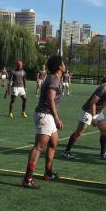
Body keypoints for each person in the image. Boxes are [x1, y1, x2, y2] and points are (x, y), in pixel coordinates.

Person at [22, 55, 65, 189]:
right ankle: (27, 179)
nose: (65, 65)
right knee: (39, 147)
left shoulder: (55, 78)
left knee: (54, 142)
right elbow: (50, 98)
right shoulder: (53, 79)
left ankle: (48, 173)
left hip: (48, 116)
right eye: (63, 63)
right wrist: (56, 118)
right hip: (45, 116)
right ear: (59, 66)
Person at [62, 73, 106, 161]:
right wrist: (93, 118)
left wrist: (100, 113)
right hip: (88, 111)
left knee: (104, 131)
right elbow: (93, 103)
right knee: (79, 132)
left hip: (98, 112)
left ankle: (103, 154)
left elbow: (102, 103)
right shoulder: (104, 88)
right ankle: (66, 152)